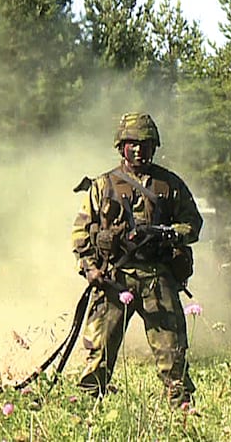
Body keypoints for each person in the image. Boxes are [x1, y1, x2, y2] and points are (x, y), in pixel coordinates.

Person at [71, 112, 203, 405]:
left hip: (157, 278)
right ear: (121, 147)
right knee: (99, 352)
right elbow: (81, 232)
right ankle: (87, 410)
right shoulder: (103, 185)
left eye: (146, 144)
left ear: (154, 146)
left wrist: (170, 234)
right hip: (115, 277)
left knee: (173, 354)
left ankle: (182, 411)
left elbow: (193, 224)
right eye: (133, 143)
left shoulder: (170, 185)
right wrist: (89, 268)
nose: (140, 150)